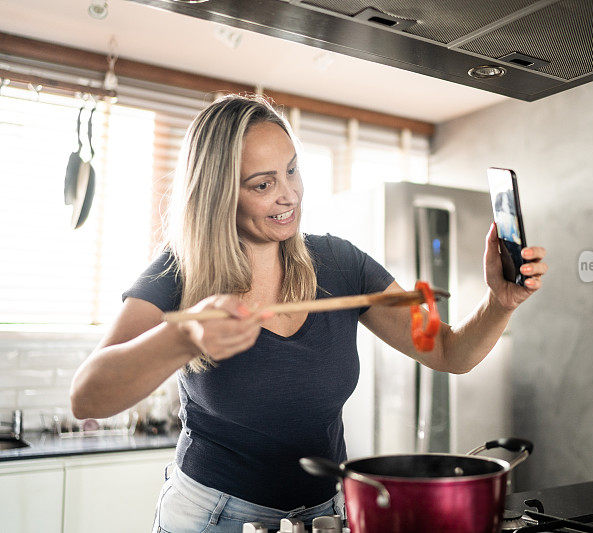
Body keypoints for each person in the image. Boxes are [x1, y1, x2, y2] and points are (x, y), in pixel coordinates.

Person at [69, 94, 548, 532]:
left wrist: (499, 302)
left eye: (293, 171)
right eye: (263, 183)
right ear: (218, 195)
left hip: (325, 515)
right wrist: (182, 339)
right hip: (214, 518)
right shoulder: (179, 272)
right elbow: (87, 398)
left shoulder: (341, 264)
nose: (289, 195)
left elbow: (447, 350)